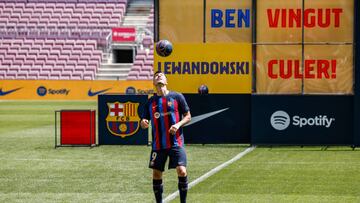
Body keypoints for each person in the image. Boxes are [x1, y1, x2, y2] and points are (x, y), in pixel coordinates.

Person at [141, 71, 191, 203]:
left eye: (161, 75)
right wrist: (143, 123)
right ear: (153, 83)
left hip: (176, 142)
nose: (158, 77)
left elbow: (188, 116)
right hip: (158, 145)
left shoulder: (177, 97)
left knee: (181, 171)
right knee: (156, 174)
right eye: (156, 76)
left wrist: (178, 124)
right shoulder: (150, 102)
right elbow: (144, 120)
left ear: (166, 81)